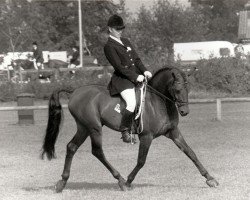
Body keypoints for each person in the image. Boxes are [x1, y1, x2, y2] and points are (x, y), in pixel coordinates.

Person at [104, 14, 152, 143]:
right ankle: (124, 130)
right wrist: (136, 76)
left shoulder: (126, 41)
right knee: (131, 103)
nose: (120, 31)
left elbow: (136, 59)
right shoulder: (109, 46)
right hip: (122, 81)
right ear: (110, 29)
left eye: (121, 29)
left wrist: (145, 70)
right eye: (117, 29)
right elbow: (119, 67)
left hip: (137, 77)